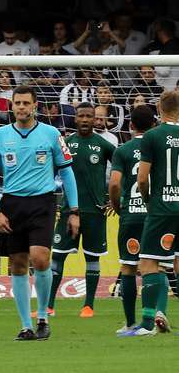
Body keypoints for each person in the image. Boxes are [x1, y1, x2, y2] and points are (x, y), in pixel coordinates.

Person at [0, 85, 79, 341]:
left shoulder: (51, 134)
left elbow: (67, 172)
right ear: (12, 105)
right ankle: (26, 326)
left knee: (40, 259)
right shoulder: (1, 136)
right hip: (12, 205)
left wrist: (74, 209)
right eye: (17, 103)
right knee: (17, 263)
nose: (22, 107)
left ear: (35, 105)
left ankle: (43, 317)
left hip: (42, 203)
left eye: (26, 103)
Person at [46, 103, 115, 317]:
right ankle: (48, 305)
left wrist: (116, 199)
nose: (85, 120)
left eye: (89, 116)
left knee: (92, 258)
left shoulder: (104, 145)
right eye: (81, 116)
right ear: (75, 119)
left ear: (95, 119)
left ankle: (88, 306)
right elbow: (49, 173)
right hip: (68, 211)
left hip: (95, 212)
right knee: (57, 257)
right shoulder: (66, 144)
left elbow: (123, 170)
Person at [125, 90, 179, 336]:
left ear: (159, 108)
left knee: (148, 264)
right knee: (169, 265)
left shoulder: (152, 136)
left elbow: (142, 178)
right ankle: (159, 315)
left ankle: (146, 325)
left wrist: (148, 200)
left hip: (162, 209)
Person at [108, 105, 159, 334]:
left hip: (130, 216)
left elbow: (115, 184)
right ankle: (151, 320)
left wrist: (119, 207)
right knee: (154, 266)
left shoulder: (123, 150)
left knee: (128, 267)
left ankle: (129, 323)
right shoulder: (158, 146)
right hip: (154, 214)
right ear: (154, 125)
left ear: (130, 125)